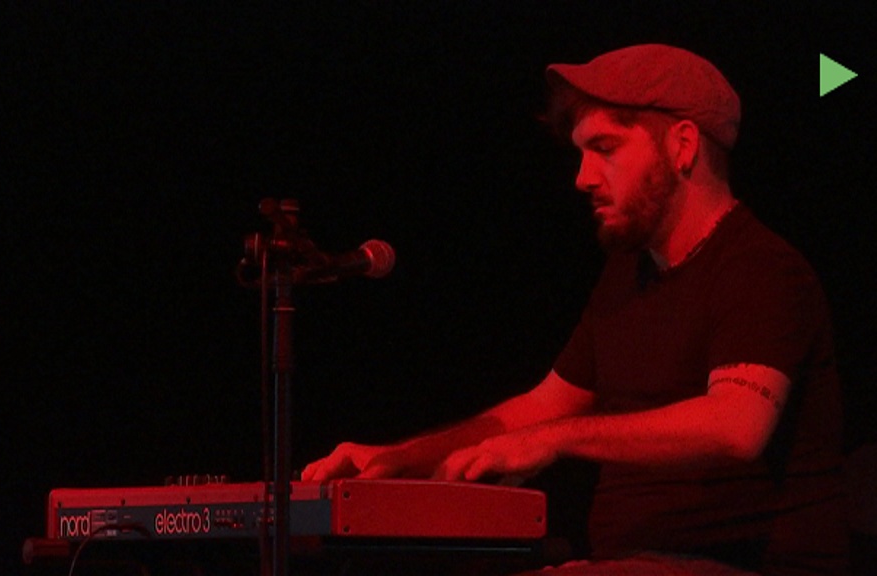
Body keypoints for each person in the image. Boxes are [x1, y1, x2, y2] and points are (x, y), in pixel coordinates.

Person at [302, 44, 848, 576]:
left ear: (683, 146)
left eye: (605, 148)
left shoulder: (760, 268)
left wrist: (555, 440)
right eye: (581, 154)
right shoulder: (626, 275)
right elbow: (543, 407)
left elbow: (736, 425)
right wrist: (401, 456)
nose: (582, 177)